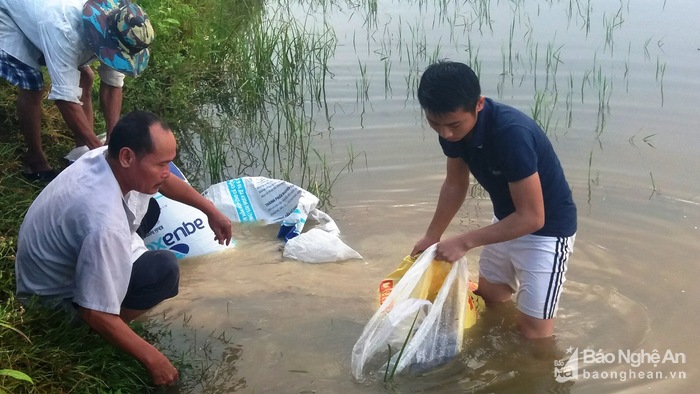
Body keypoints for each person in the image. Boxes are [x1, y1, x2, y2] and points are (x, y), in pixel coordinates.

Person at [15, 110, 233, 386]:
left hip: (49, 265)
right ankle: (93, 336)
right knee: (162, 270)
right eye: (161, 164)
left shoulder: (104, 157)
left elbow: (165, 183)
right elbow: (93, 311)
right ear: (128, 157)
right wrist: (154, 359)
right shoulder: (105, 223)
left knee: (149, 204)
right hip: (53, 303)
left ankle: (113, 318)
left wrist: (210, 210)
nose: (167, 173)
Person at [411, 60, 577, 339]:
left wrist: (464, 241)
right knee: (490, 300)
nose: (446, 134)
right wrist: (432, 236)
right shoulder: (449, 130)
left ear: (478, 104)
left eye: (453, 124)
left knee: (534, 334)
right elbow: (455, 183)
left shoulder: (511, 134)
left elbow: (533, 217)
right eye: (434, 123)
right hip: (505, 222)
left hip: (548, 233)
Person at [0, 0, 154, 182]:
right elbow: (65, 101)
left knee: (85, 77)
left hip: (43, 14)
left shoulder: (118, 27)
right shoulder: (64, 29)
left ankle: (81, 149)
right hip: (11, 13)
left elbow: (113, 86)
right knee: (32, 87)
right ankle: (35, 162)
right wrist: (100, 153)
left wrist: (114, 138)